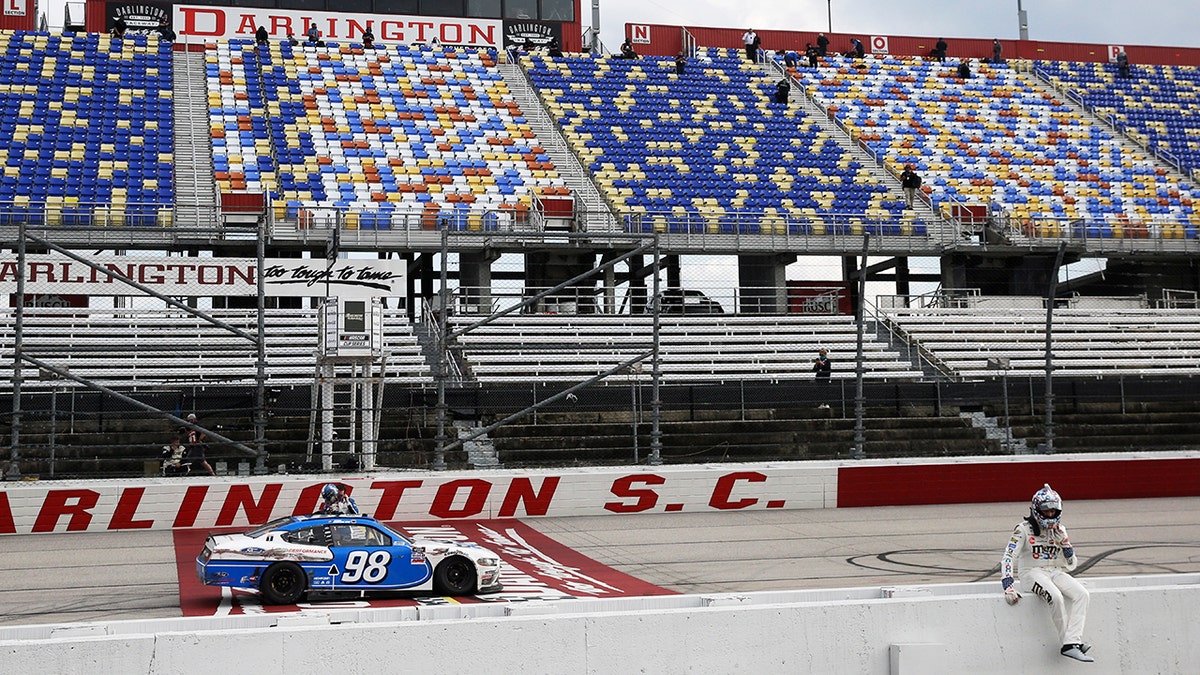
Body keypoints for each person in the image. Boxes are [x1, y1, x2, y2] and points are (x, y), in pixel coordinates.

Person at [1001, 484, 1093, 663]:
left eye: (1054, 511)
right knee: (1056, 597)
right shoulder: (1023, 530)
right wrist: (1008, 586)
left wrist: (1065, 545)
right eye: (1046, 511)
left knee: (1082, 594)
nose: (1050, 515)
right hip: (1031, 574)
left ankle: (1072, 641)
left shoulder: (1060, 530)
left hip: (1054, 571)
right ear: (1036, 510)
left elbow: (1071, 565)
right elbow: (1008, 557)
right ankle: (1069, 645)